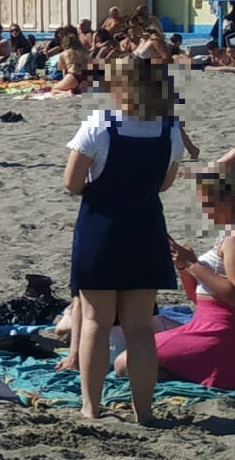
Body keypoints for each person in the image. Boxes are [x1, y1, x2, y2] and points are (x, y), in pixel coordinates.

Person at [64, 57, 184, 423]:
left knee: (97, 322)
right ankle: (143, 410)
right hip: (145, 228)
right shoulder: (169, 129)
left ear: (118, 87)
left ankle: (91, 406)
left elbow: (72, 183)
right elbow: (165, 182)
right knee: (139, 325)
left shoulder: (100, 124)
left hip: (102, 227)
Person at [115, 169, 235, 390]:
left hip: (221, 331)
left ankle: (208, 372)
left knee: (125, 363)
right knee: (135, 358)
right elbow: (200, 297)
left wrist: (193, 264)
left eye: (209, 202)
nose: (205, 209)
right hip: (207, 324)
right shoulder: (230, 234)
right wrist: (183, 266)